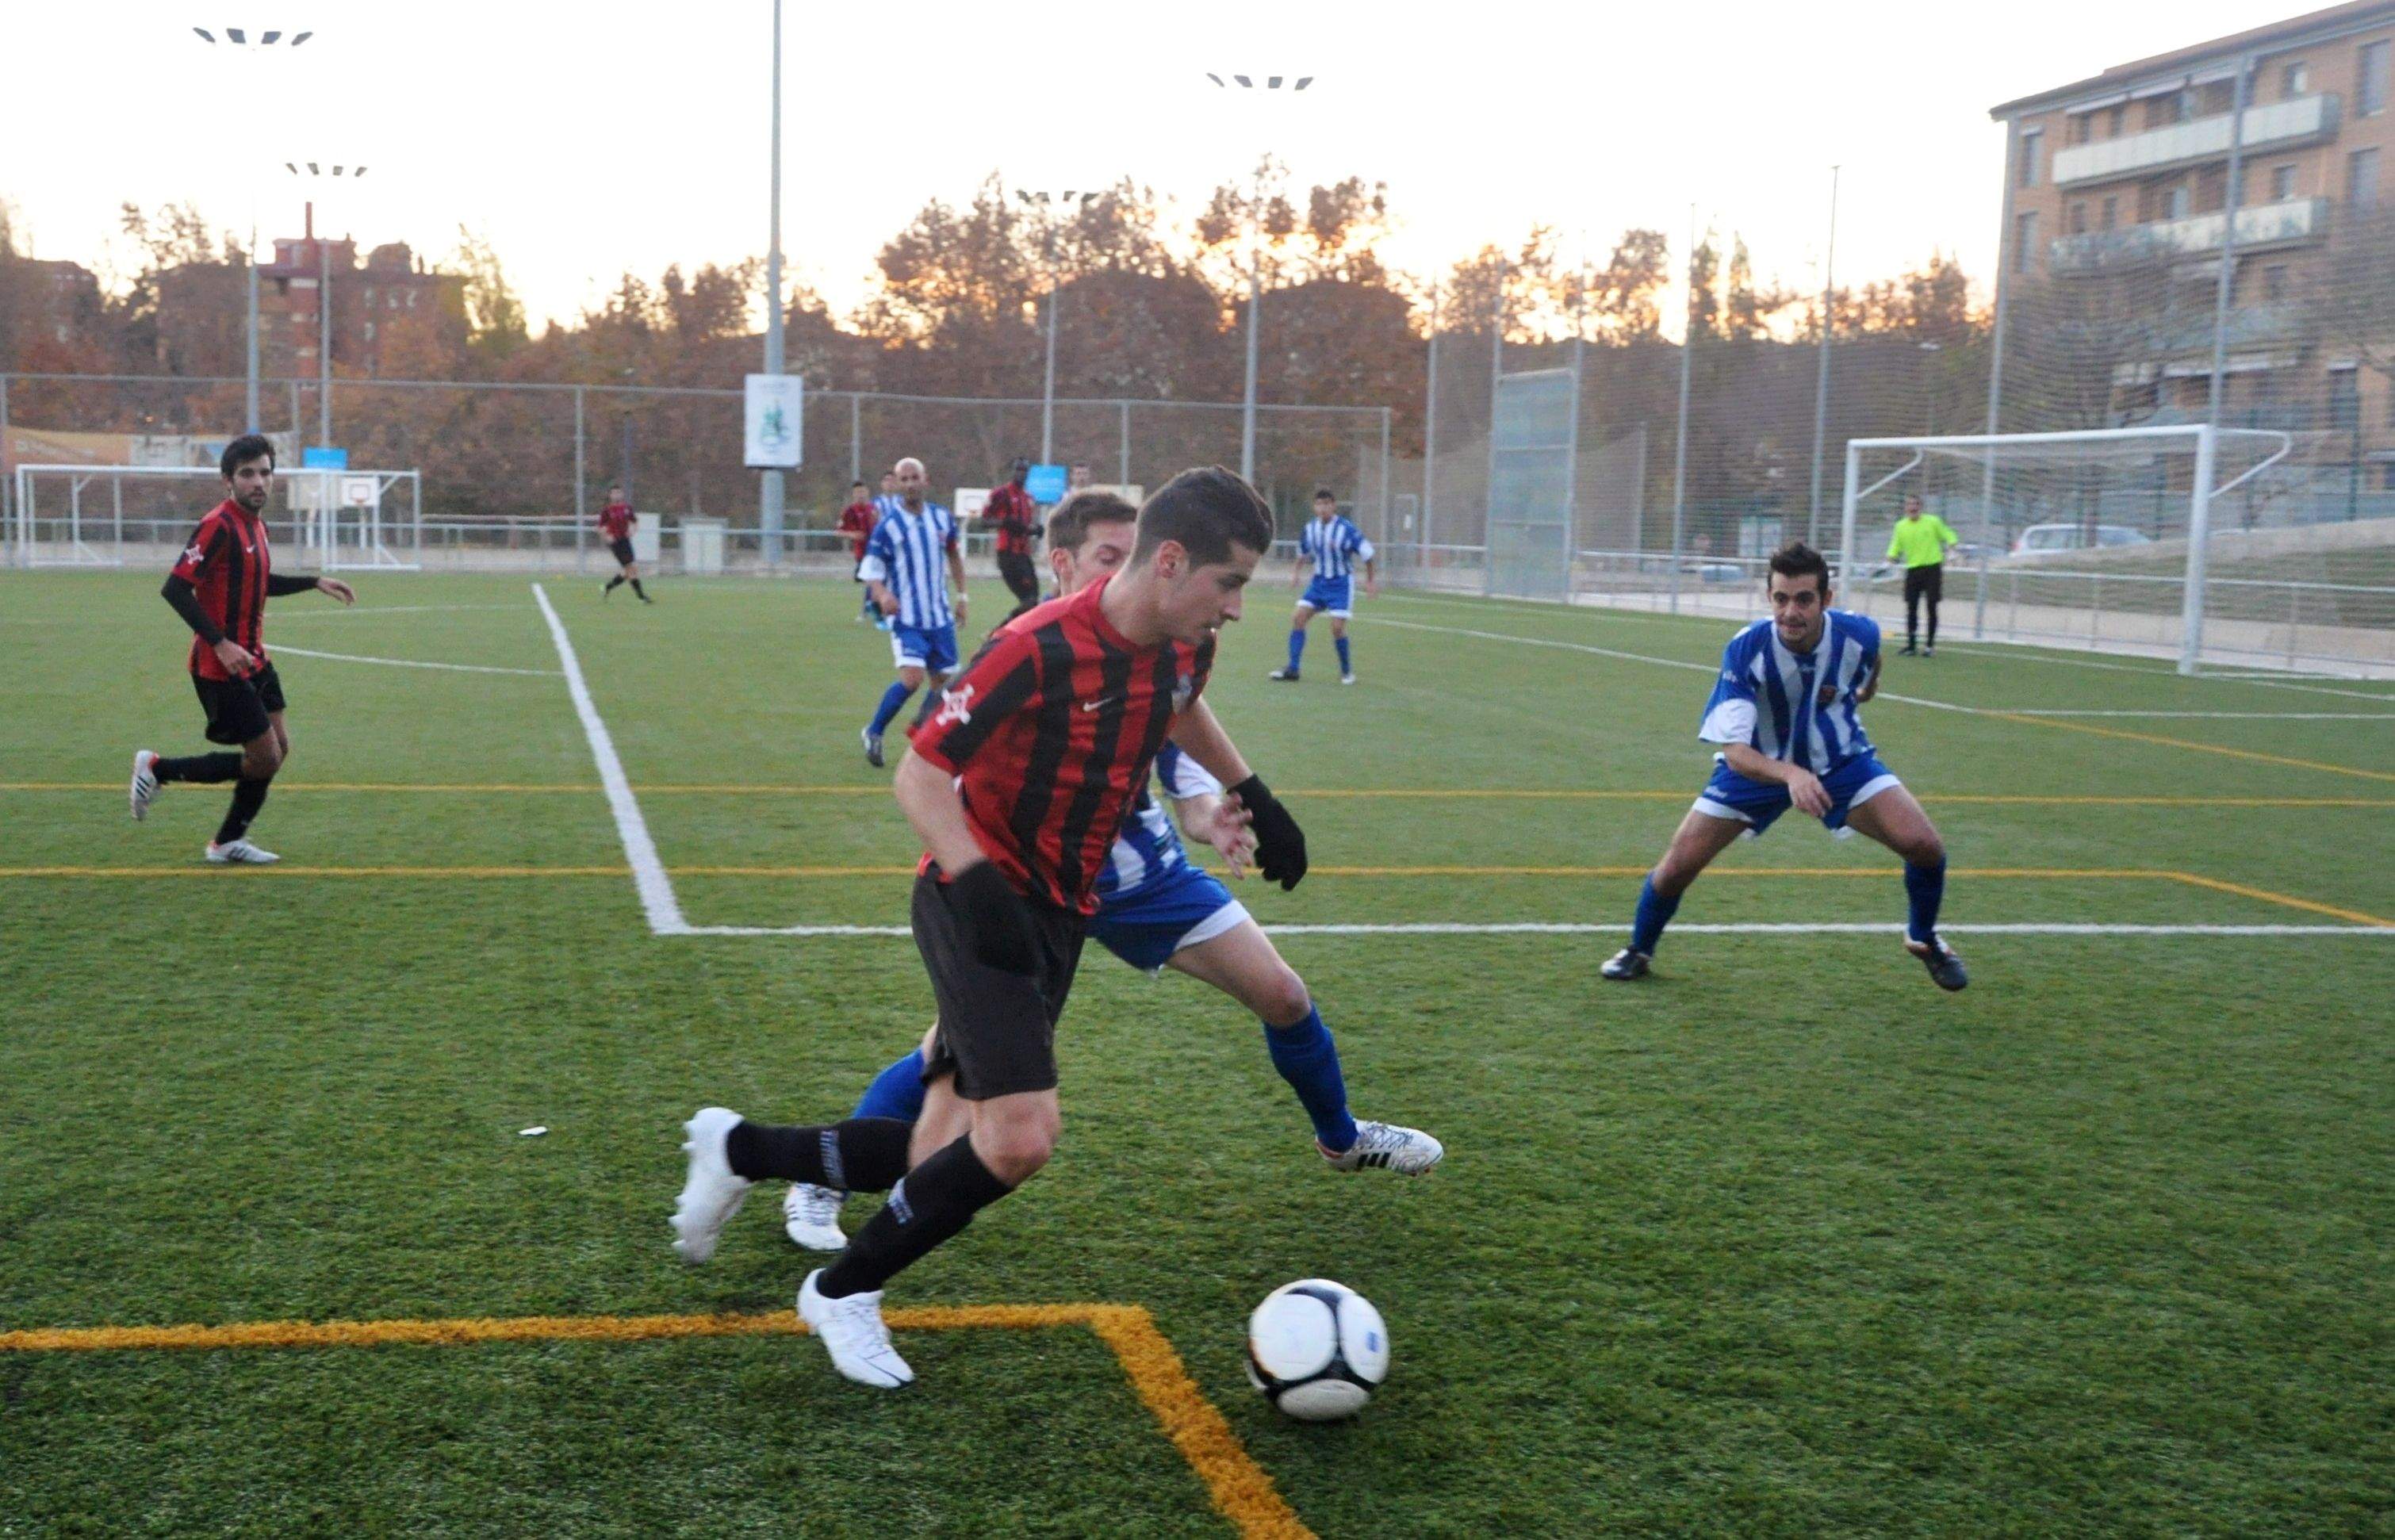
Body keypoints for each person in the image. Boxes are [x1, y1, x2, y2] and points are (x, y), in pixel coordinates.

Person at [672, 466, 1299, 1389]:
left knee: (936, 1153)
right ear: (1171, 562)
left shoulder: (1181, 642)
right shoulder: (1035, 646)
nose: (1237, 607)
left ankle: (739, 1148)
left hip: (1060, 912)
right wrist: (975, 884)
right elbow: (920, 774)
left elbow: (1181, 702)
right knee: (1018, 1137)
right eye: (1230, 582)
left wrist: (1249, 791)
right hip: (976, 905)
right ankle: (841, 1291)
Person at [782, 491, 1441, 1251]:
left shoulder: (1164, 639)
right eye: (1107, 555)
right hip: (1028, 882)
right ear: (1061, 564)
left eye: (1133, 553)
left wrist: (1216, 808)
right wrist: (978, 884)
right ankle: (822, 1177)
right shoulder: (1030, 648)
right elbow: (944, 776)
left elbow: (1174, 726)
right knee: (949, 1056)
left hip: (1138, 876)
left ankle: (1341, 1137)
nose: (1125, 569)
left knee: (1284, 994)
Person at [1599, 542, 1967, 992]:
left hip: (1841, 761)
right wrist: (1791, 774)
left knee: (1924, 845)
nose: (1791, 612)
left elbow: (1871, 665)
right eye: (1781, 599)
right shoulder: (1746, 648)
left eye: (1804, 599)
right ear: (1769, 597)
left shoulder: (1861, 635)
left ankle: (1923, 939)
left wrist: (1865, 691)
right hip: (1756, 768)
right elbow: (1734, 750)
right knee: (1678, 865)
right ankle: (1639, 949)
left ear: (1826, 600)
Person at [129, 435, 356, 864]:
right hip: (220, 666)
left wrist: (313, 581)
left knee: (278, 750)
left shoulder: (257, 525)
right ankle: (157, 770)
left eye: (265, 473)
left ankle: (228, 842)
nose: (258, 482)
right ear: (227, 481)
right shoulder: (219, 524)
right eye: (247, 474)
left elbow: (258, 582)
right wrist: (220, 642)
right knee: (264, 757)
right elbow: (175, 589)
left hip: (255, 660)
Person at [858, 458, 968, 768]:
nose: (908, 484)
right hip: (907, 618)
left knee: (944, 686)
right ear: (897, 482)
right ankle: (874, 731)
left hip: (939, 617)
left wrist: (962, 597)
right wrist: (882, 594)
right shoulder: (889, 525)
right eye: (903, 479)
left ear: (925, 480)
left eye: (913, 478)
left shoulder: (942, 518)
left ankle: (922, 738)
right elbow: (871, 569)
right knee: (912, 679)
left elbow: (954, 558)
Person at [1270, 489, 1376, 685]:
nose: (1323, 508)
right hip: (1319, 583)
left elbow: (1367, 554)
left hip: (1341, 584)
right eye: (1320, 504)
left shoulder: (1346, 529)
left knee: (1337, 628)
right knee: (1298, 618)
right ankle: (1293, 669)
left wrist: (1370, 581)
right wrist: (1295, 574)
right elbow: (1302, 554)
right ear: (1315, 507)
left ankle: (1347, 672)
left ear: (1333, 506)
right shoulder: (1310, 529)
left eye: (1327, 504)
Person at [1887, 495, 1959, 657]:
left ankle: (1929, 646)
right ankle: (1911, 645)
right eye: (1909, 505)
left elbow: (1949, 535)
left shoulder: (1933, 522)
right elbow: (1895, 545)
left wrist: (1952, 548)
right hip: (1913, 571)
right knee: (1911, 607)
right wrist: (1890, 558)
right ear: (1906, 508)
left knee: (1931, 606)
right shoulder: (1901, 526)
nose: (1913, 508)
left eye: (1916, 504)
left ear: (1921, 507)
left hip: (1932, 568)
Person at [981, 458, 1043, 620]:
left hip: (1024, 555)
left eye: (1024, 471)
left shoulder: (1028, 498)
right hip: (1008, 555)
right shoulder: (1001, 494)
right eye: (1018, 470)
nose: (1021, 474)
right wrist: (1005, 522)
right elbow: (984, 521)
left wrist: (1036, 530)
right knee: (1030, 600)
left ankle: (1011, 633)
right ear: (1013, 472)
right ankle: (1001, 632)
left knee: (1033, 601)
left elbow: (1024, 527)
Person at [837, 480, 881, 624]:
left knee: (873, 581)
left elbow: (879, 525)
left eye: (863, 492)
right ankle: (869, 611)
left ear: (867, 492)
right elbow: (839, 532)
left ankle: (868, 611)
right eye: (857, 492)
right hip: (862, 553)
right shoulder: (849, 511)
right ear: (853, 494)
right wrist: (853, 535)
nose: (860, 495)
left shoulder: (873, 509)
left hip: (876, 551)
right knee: (871, 581)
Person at [598, 485, 650, 603]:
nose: (616, 495)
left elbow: (635, 522)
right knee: (631, 569)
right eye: (614, 493)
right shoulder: (607, 510)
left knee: (628, 571)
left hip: (626, 541)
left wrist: (633, 531)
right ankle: (642, 597)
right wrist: (607, 537)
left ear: (622, 494)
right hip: (616, 543)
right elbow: (600, 527)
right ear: (610, 495)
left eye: (618, 493)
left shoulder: (627, 508)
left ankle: (607, 587)